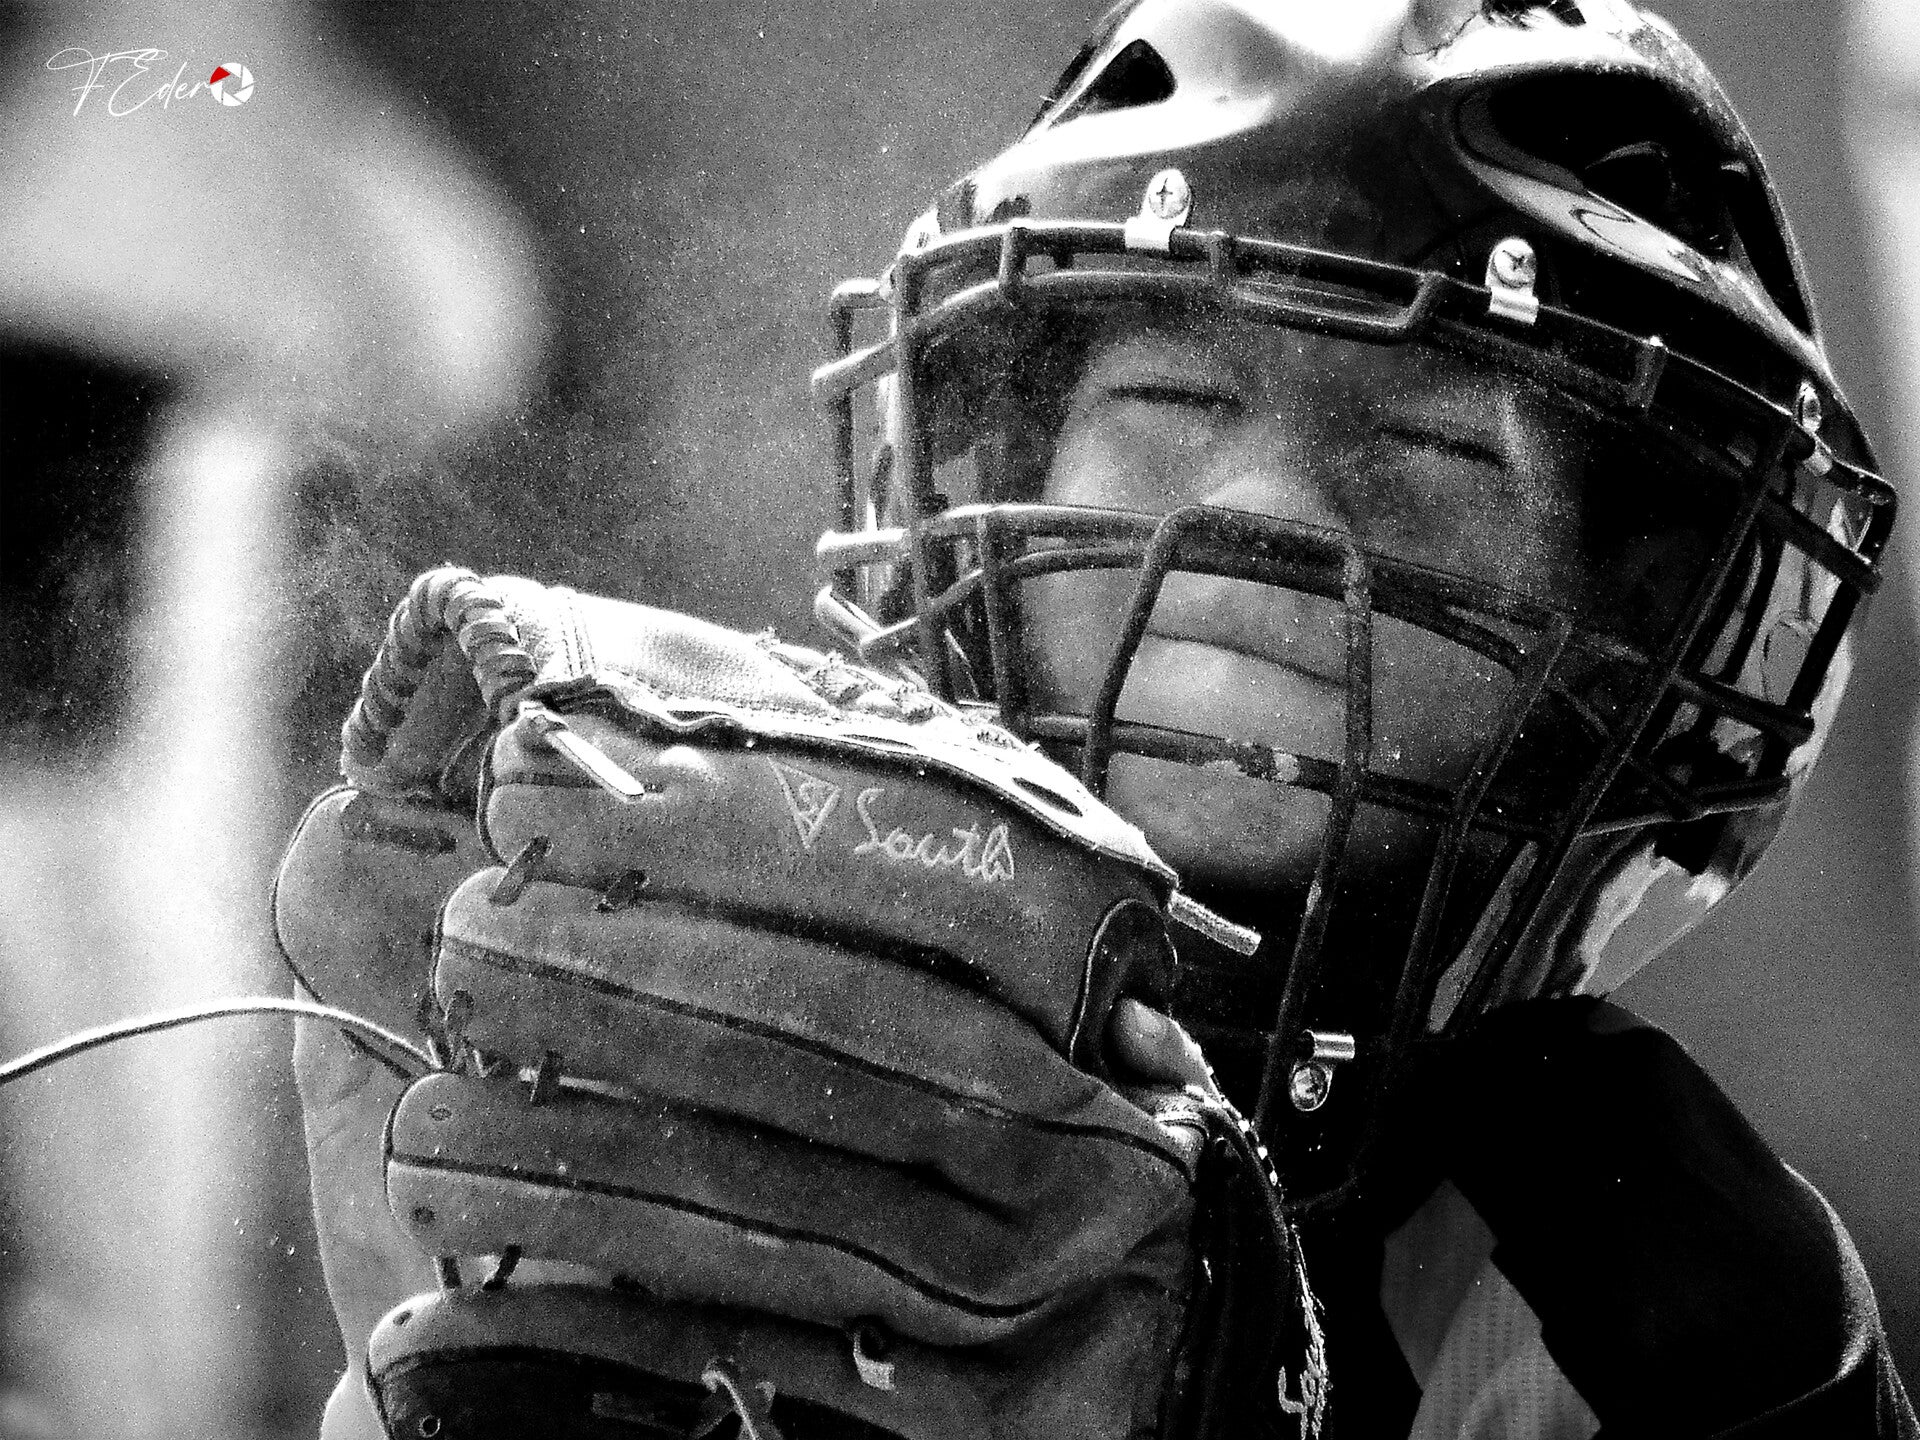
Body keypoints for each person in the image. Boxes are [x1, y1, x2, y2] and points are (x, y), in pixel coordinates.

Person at [293, 1, 1918, 1436]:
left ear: (1618, 635)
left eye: (1432, 454)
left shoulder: (1658, 1282)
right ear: (998, 468)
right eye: (1173, 399)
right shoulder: (716, 1038)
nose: (1264, 513)